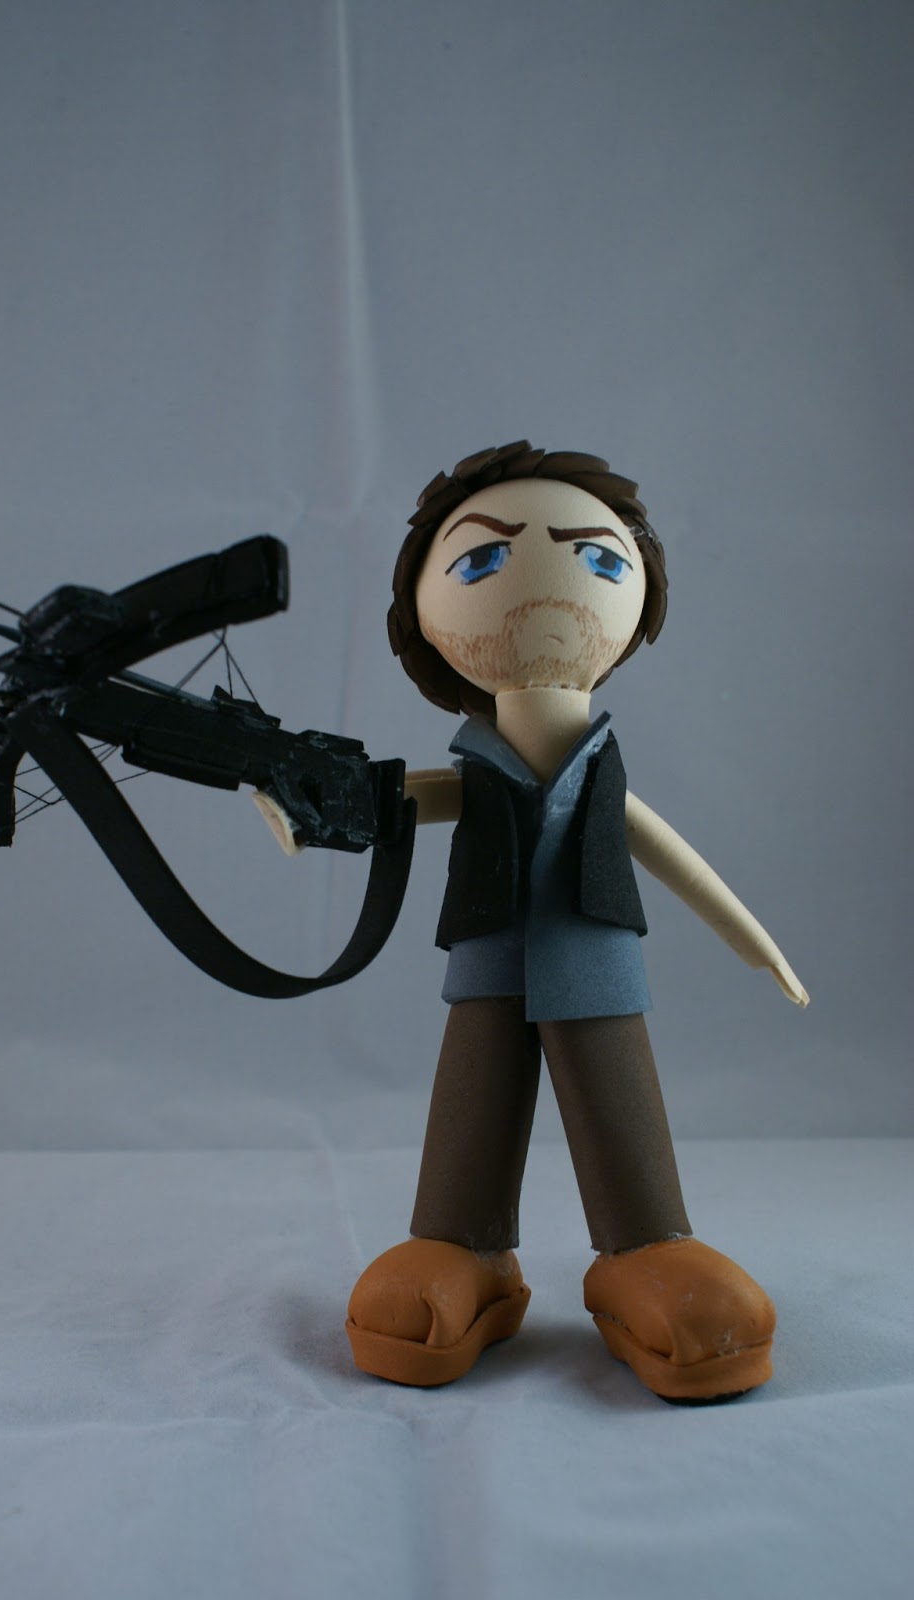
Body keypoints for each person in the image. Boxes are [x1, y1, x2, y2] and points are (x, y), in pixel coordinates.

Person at [344, 442, 807, 1402]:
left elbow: (668, 852)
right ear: (421, 614)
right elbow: (412, 799)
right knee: (474, 1088)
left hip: (595, 948)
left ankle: (646, 1247)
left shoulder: (599, 766)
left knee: (614, 1090)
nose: (549, 587)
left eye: (598, 558)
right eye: (481, 559)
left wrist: (754, 943)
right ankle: (461, 1247)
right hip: (489, 948)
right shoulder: (479, 761)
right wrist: (317, 809)